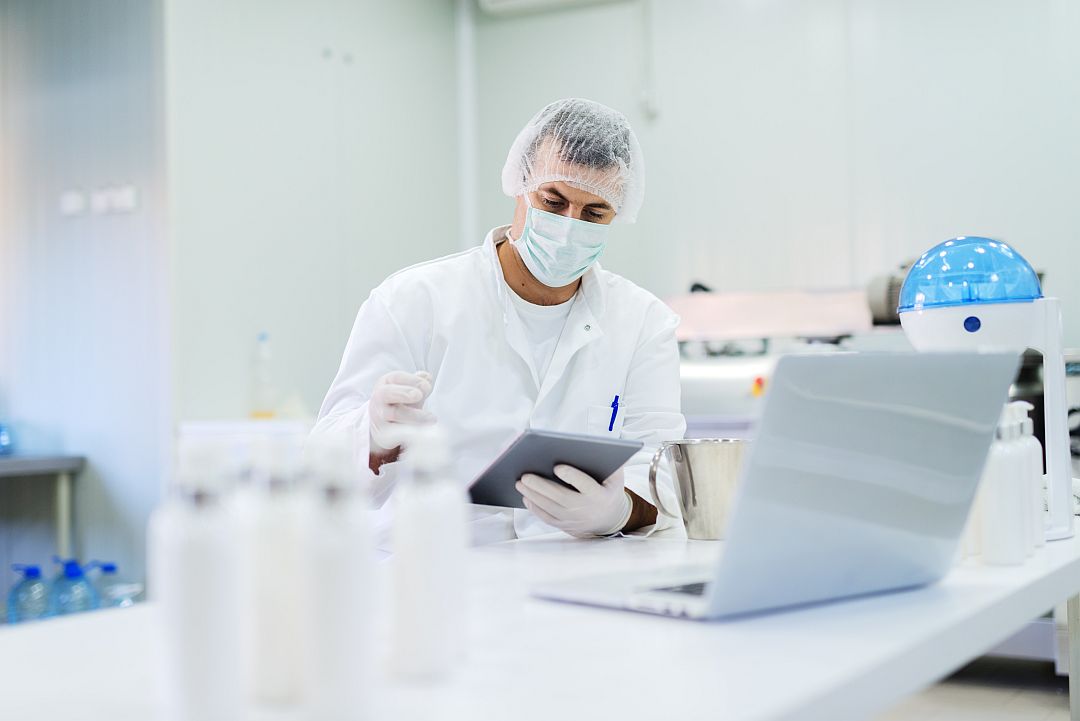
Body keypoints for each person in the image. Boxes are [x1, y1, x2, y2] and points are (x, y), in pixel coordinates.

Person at [313, 98, 685, 544]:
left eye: (593, 213)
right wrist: (371, 435)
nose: (569, 226)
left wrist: (619, 511)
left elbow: (664, 475)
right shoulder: (413, 300)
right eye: (553, 201)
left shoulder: (643, 323)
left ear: (617, 213)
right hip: (432, 564)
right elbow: (321, 467)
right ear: (520, 185)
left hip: (575, 572)